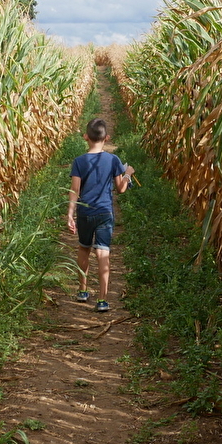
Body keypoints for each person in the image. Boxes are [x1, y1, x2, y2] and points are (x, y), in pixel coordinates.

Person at [67, 118, 134, 313]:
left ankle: (82, 290)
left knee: (84, 248)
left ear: (85, 137)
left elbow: (74, 190)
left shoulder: (79, 161)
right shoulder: (113, 160)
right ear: (107, 138)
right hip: (105, 212)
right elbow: (121, 189)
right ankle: (103, 300)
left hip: (85, 212)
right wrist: (128, 173)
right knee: (103, 252)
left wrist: (70, 214)